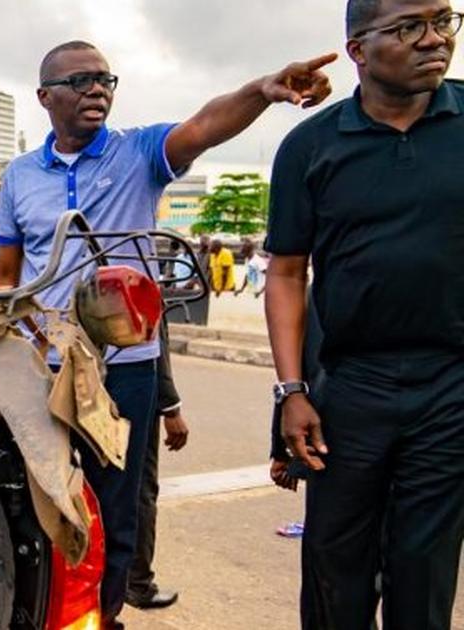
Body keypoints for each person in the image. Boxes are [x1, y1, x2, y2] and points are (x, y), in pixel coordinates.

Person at [0, 39, 334, 627]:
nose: (97, 90)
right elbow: (3, 276)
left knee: (116, 505)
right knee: (39, 497)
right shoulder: (19, 177)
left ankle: (103, 614)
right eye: (80, 81)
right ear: (45, 97)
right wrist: (18, 334)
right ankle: (40, 610)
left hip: (126, 368)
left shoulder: (139, 153)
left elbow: (203, 126)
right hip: (42, 370)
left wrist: (262, 91)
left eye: (105, 80)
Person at [265, 1, 464, 628]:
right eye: (411, 27)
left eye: (445, 20)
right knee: (335, 569)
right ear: (358, 49)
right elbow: (287, 274)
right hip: (348, 388)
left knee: (424, 569)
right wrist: (292, 392)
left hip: (452, 387)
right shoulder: (310, 146)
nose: (436, 40)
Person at [127, 323, 188, 610]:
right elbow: (153, 341)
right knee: (139, 488)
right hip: (130, 383)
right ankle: (136, 582)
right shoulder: (139, 278)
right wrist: (171, 407)